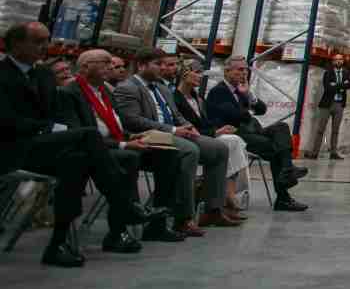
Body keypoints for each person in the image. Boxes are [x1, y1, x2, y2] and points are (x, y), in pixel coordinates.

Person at [0, 22, 160, 267]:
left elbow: (55, 112)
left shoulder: (43, 74)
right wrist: (46, 127)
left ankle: (58, 244)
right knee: (87, 135)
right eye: (38, 41)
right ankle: (124, 204)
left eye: (47, 40)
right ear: (16, 44)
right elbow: (6, 120)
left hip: (44, 146)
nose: (45, 47)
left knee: (77, 161)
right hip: (12, 148)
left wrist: (53, 127)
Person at [56, 49, 183, 243]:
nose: (111, 67)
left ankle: (158, 223)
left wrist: (134, 136)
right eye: (105, 63)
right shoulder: (70, 93)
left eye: (111, 63)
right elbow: (79, 134)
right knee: (128, 158)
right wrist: (124, 144)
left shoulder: (106, 91)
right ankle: (120, 225)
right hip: (93, 149)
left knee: (168, 154)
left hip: (117, 141)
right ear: (85, 67)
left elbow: (117, 125)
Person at [114, 47, 239, 235]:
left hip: (172, 133)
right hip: (148, 134)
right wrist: (173, 130)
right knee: (190, 151)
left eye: (165, 64)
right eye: (158, 64)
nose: (163, 68)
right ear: (141, 65)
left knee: (218, 148)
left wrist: (188, 127)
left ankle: (213, 210)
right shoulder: (127, 88)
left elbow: (176, 114)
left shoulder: (162, 88)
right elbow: (132, 120)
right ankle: (184, 217)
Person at [205, 56, 308, 211]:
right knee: (276, 149)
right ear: (227, 71)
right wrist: (245, 102)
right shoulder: (219, 91)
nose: (244, 73)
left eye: (245, 69)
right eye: (240, 69)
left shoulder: (240, 91)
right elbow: (238, 116)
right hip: (236, 135)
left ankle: (287, 169)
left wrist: (249, 96)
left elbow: (262, 110)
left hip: (252, 130)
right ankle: (283, 195)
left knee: (281, 127)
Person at [173, 59, 249, 218]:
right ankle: (228, 197)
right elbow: (186, 125)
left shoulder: (197, 98)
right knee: (232, 142)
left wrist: (217, 131)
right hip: (189, 137)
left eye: (201, 73)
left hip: (204, 136)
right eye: (197, 72)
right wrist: (215, 133)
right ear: (184, 73)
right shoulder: (175, 97)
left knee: (233, 141)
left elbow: (205, 124)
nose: (200, 76)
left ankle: (226, 197)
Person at [308, 53, 350, 160]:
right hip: (327, 104)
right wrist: (341, 86)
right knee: (320, 129)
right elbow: (328, 87)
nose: (338, 61)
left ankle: (333, 153)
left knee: (335, 130)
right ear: (333, 62)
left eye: (340, 59)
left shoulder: (346, 73)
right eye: (336, 60)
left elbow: (349, 85)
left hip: (339, 104)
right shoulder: (327, 73)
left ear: (343, 61)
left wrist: (335, 85)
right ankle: (315, 153)